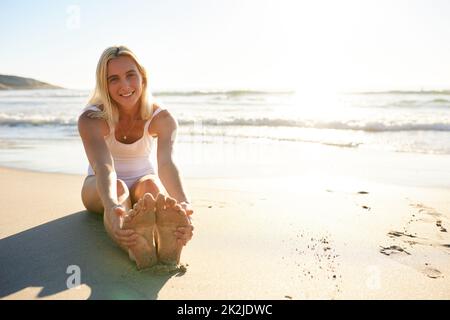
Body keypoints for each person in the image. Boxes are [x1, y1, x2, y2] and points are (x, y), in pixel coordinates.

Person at [78, 45, 194, 269]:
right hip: (99, 185)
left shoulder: (163, 118)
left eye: (131, 75)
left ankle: (168, 242)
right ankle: (135, 248)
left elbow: (167, 164)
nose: (125, 85)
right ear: (105, 84)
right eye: (114, 79)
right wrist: (112, 206)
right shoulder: (91, 118)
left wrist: (183, 202)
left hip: (143, 177)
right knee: (118, 190)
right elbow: (104, 167)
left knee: (151, 189)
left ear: (143, 77)